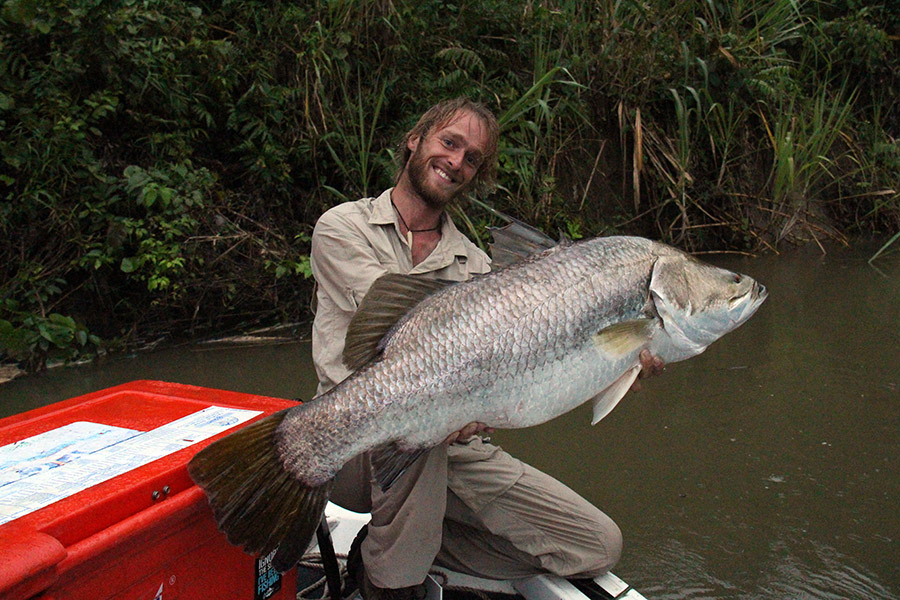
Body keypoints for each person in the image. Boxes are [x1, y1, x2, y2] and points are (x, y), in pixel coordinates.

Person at [309, 97, 662, 600]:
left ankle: (396, 544)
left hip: (454, 444)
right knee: (420, 419)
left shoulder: (476, 266)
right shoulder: (342, 227)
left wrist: (620, 354)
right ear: (416, 140)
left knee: (594, 545)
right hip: (352, 442)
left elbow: (529, 356)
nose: (457, 162)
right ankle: (390, 585)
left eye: (472, 158)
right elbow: (400, 336)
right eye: (449, 143)